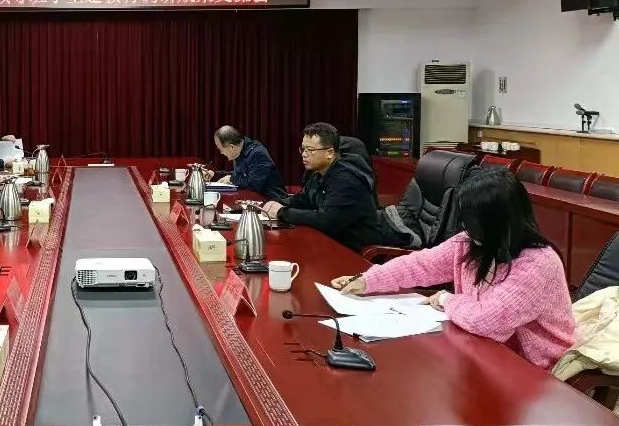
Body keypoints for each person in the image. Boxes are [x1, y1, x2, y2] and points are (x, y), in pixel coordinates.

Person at [332, 169, 575, 370]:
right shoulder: (471, 242)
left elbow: (488, 321)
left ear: (500, 222)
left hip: (532, 368)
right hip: (479, 350)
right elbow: (422, 264)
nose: (467, 228)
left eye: (474, 221)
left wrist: (446, 299)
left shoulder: (538, 264)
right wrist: (367, 280)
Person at [260, 122, 382, 251]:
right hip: (335, 242)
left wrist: (282, 212)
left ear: (330, 153)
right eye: (303, 149)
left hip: (359, 248)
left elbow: (326, 220)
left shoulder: (346, 179)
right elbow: (302, 199)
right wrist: (274, 204)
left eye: (310, 150)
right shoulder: (319, 172)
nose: (304, 154)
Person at [203, 126, 287, 200]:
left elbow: (253, 184)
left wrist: (231, 179)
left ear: (232, 147)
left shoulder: (258, 153)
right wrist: (214, 174)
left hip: (274, 203)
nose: (221, 153)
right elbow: (239, 175)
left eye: (221, 149)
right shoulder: (240, 151)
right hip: (254, 201)